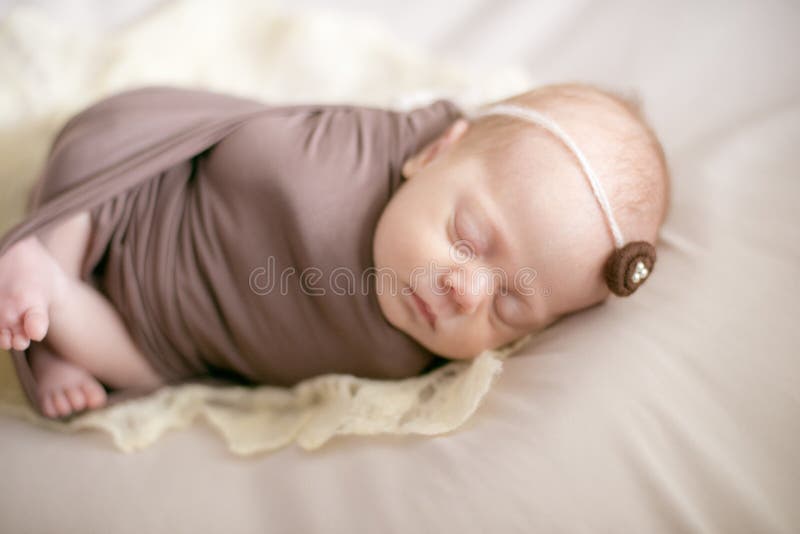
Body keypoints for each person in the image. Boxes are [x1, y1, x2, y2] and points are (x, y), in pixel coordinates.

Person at [0, 83, 669, 419]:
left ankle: (57, 307)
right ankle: (48, 260)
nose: (467, 289)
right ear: (434, 154)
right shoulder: (357, 153)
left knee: (147, 374)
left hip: (173, 335)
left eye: (511, 302)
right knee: (97, 173)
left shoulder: (417, 361)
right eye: (468, 240)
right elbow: (241, 142)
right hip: (158, 199)